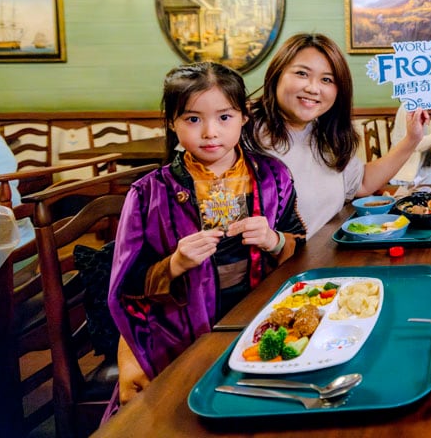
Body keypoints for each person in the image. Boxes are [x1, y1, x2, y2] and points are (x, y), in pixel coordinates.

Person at [107, 62, 307, 409]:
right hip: (181, 335)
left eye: (224, 117)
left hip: (264, 321)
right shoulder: (148, 194)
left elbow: (301, 248)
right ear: (172, 121)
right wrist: (175, 263)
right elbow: (127, 286)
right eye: (193, 119)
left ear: (244, 116)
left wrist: (275, 240)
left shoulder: (274, 176)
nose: (210, 132)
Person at [248, 33, 428, 237]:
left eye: (326, 79)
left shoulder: (325, 133)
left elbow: (361, 183)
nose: (313, 88)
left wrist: (412, 139)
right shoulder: (243, 131)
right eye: (301, 74)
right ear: (277, 74)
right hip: (273, 267)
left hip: (323, 259)